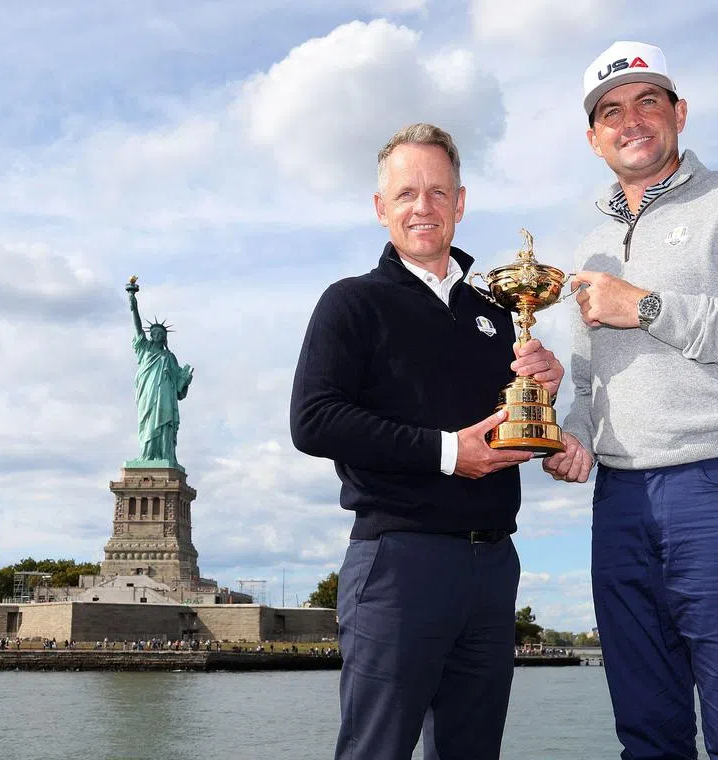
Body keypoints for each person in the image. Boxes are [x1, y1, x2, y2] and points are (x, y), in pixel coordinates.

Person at [544, 41, 718, 759]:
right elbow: (589, 378)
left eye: (647, 101)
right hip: (620, 502)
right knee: (646, 734)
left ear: (678, 112)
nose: (631, 120)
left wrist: (649, 306)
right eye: (611, 111)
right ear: (594, 138)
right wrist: (571, 434)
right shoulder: (590, 247)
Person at [290, 122, 565, 760]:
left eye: (438, 192)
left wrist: (551, 402)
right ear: (380, 208)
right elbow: (314, 419)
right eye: (407, 193)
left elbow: (514, 427)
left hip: (495, 567)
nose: (424, 206)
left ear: (460, 204)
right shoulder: (351, 303)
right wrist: (448, 454)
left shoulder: (499, 314)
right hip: (398, 562)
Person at [127, 282, 193, 465]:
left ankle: (166, 456)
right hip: (148, 393)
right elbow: (138, 328)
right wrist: (134, 305)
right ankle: (147, 455)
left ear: (164, 337)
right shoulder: (145, 348)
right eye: (154, 332)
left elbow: (179, 389)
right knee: (148, 422)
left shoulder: (169, 357)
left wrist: (185, 380)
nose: (156, 335)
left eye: (159, 333)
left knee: (165, 423)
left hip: (165, 395)